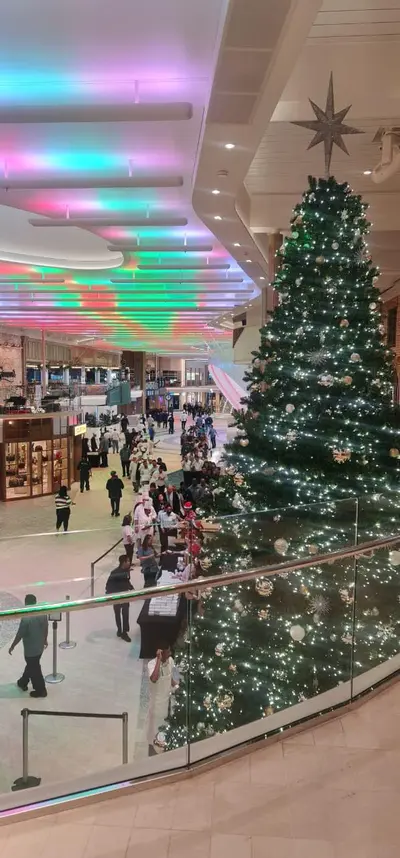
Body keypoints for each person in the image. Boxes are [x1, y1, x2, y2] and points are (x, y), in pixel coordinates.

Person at [9, 594, 48, 698]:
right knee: (32, 665)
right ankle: (23, 682)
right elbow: (46, 627)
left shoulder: (26, 618)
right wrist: (45, 639)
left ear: (26, 603)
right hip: (39, 647)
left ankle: (41, 690)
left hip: (31, 649)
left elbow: (20, 634)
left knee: (35, 668)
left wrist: (13, 645)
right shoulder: (42, 613)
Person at [148, 645, 179, 754]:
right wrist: (159, 660)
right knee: (156, 738)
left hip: (169, 705)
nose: (170, 653)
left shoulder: (171, 660)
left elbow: (174, 678)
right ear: (160, 653)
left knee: (167, 736)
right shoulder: (151, 664)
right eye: (167, 652)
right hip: (157, 708)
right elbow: (154, 678)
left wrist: (177, 687)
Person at [105, 555, 133, 641]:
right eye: (128, 561)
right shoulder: (115, 573)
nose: (129, 563)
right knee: (117, 613)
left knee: (125, 614)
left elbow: (127, 581)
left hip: (125, 596)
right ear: (123, 562)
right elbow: (108, 585)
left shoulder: (127, 571)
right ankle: (120, 630)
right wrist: (113, 595)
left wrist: (131, 588)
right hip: (117, 596)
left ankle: (124, 631)